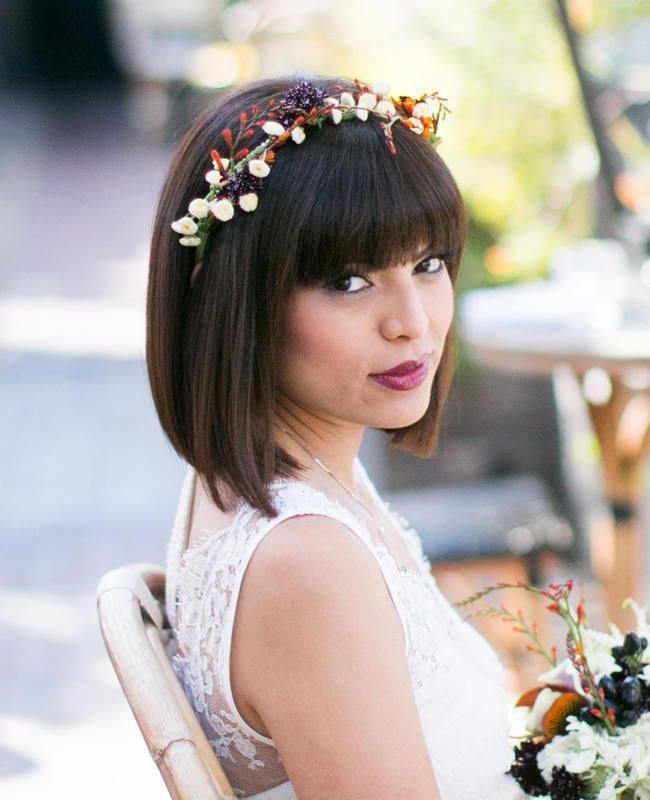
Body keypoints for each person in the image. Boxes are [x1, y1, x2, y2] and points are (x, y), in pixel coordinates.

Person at [147, 74, 525, 799]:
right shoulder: (307, 564)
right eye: (350, 281)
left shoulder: (296, 479)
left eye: (428, 264)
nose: (412, 321)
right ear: (237, 299)